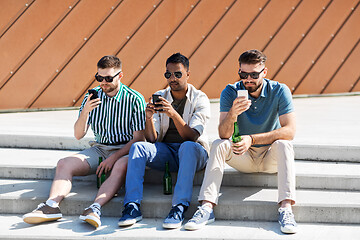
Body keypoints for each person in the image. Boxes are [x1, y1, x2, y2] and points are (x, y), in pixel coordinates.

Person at [22, 55, 146, 228]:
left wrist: (114, 157)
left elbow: (139, 140)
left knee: (120, 165)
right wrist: (85, 111)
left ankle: (94, 208)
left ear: (120, 76)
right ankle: (51, 206)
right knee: (64, 163)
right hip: (99, 149)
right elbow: (78, 134)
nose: (104, 82)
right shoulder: (91, 97)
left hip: (125, 150)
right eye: (99, 78)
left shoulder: (135, 99)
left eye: (109, 78)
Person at [185, 49, 298, 234]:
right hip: (242, 156)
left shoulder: (279, 90)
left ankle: (285, 209)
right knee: (219, 144)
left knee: (284, 143)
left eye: (254, 74)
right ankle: (206, 207)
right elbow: (223, 133)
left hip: (270, 156)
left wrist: (251, 139)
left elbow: (290, 131)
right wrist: (233, 114)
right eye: (244, 74)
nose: (248, 79)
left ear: (264, 72)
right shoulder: (231, 92)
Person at [117, 52, 211, 229]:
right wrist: (148, 118)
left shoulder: (200, 98)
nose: (172, 78)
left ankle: (179, 207)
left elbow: (192, 136)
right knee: (138, 147)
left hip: (194, 153)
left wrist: (173, 114)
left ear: (188, 74)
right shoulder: (160, 95)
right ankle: (132, 206)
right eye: (168, 74)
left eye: (177, 74)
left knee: (188, 147)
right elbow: (152, 139)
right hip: (166, 151)